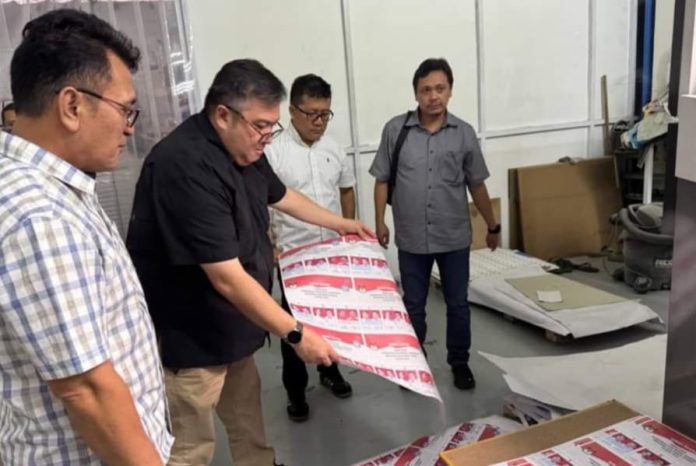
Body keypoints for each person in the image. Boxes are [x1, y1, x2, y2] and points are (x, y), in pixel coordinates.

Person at [126, 59, 372, 466]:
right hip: (192, 336)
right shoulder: (184, 166)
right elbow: (225, 277)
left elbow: (282, 196)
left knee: (247, 418)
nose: (267, 138)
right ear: (223, 115)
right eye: (261, 126)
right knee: (190, 443)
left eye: (272, 127)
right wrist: (296, 334)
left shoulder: (245, 148)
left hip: (234, 323)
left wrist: (342, 223)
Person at [0, 9, 172, 466]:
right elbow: (87, 391)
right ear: (72, 106)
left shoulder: (53, 186)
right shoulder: (40, 215)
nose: (130, 126)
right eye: (125, 109)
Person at [369, 58, 499, 390]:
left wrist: (492, 225)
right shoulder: (396, 130)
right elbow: (382, 179)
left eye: (440, 88)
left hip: (453, 237)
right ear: (416, 93)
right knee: (413, 304)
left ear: (450, 91)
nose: (433, 96)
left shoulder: (464, 134)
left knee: (458, 304)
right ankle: (415, 363)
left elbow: (477, 184)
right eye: (426, 90)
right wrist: (379, 221)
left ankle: (460, 362)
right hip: (412, 237)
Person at [266, 74, 355, 422]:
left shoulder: (333, 148)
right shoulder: (274, 152)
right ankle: (295, 389)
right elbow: (261, 203)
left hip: (331, 254)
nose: (319, 122)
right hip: (294, 258)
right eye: (312, 114)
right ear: (292, 111)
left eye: (325, 114)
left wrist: (348, 230)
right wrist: (269, 243)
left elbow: (346, 190)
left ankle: (330, 372)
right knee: (294, 328)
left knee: (332, 321)